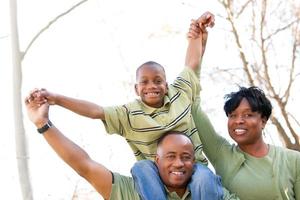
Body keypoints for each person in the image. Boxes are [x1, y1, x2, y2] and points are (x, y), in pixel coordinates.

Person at [29, 12, 224, 200]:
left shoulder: (179, 93)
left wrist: (197, 33)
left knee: (204, 177)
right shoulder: (129, 114)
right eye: (144, 82)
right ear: (136, 88)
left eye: (158, 81)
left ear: (166, 85)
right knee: (141, 168)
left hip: (196, 169)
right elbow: (95, 112)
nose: (151, 86)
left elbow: (192, 64)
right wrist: (56, 100)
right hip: (155, 178)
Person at [24, 97, 238, 199]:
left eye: (186, 157)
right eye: (170, 156)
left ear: (195, 161)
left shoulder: (212, 191)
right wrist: (43, 125)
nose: (179, 163)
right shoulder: (134, 191)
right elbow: (85, 166)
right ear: (157, 160)